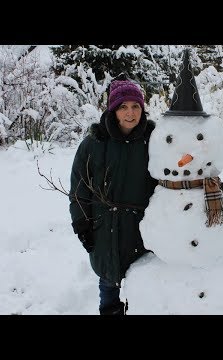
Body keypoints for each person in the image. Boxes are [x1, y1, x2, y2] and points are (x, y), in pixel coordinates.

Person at [69, 77, 158, 315]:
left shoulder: (155, 142)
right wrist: (81, 223)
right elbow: (79, 189)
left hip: (142, 228)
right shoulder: (93, 144)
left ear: (142, 108)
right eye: (123, 107)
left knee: (143, 279)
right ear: (113, 109)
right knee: (109, 279)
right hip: (104, 227)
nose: (130, 113)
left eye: (135, 106)